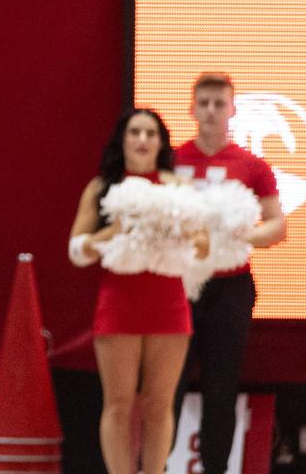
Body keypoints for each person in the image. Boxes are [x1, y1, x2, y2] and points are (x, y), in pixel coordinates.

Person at [68, 109, 197, 474]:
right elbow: (76, 251)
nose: (142, 139)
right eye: (135, 132)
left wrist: (185, 235)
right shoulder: (102, 188)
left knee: (159, 405)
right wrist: (115, 231)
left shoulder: (178, 188)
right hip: (119, 304)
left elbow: (202, 248)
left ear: (161, 142)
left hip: (168, 305)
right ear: (122, 139)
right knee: (119, 404)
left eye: (151, 133)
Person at [172, 73, 286, 474]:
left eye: (219, 103)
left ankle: (216, 469)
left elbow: (277, 225)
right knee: (164, 387)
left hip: (230, 289)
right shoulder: (170, 160)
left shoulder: (251, 165)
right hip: (177, 289)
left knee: (221, 388)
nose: (210, 111)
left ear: (233, 110)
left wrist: (242, 235)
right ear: (192, 108)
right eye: (203, 103)